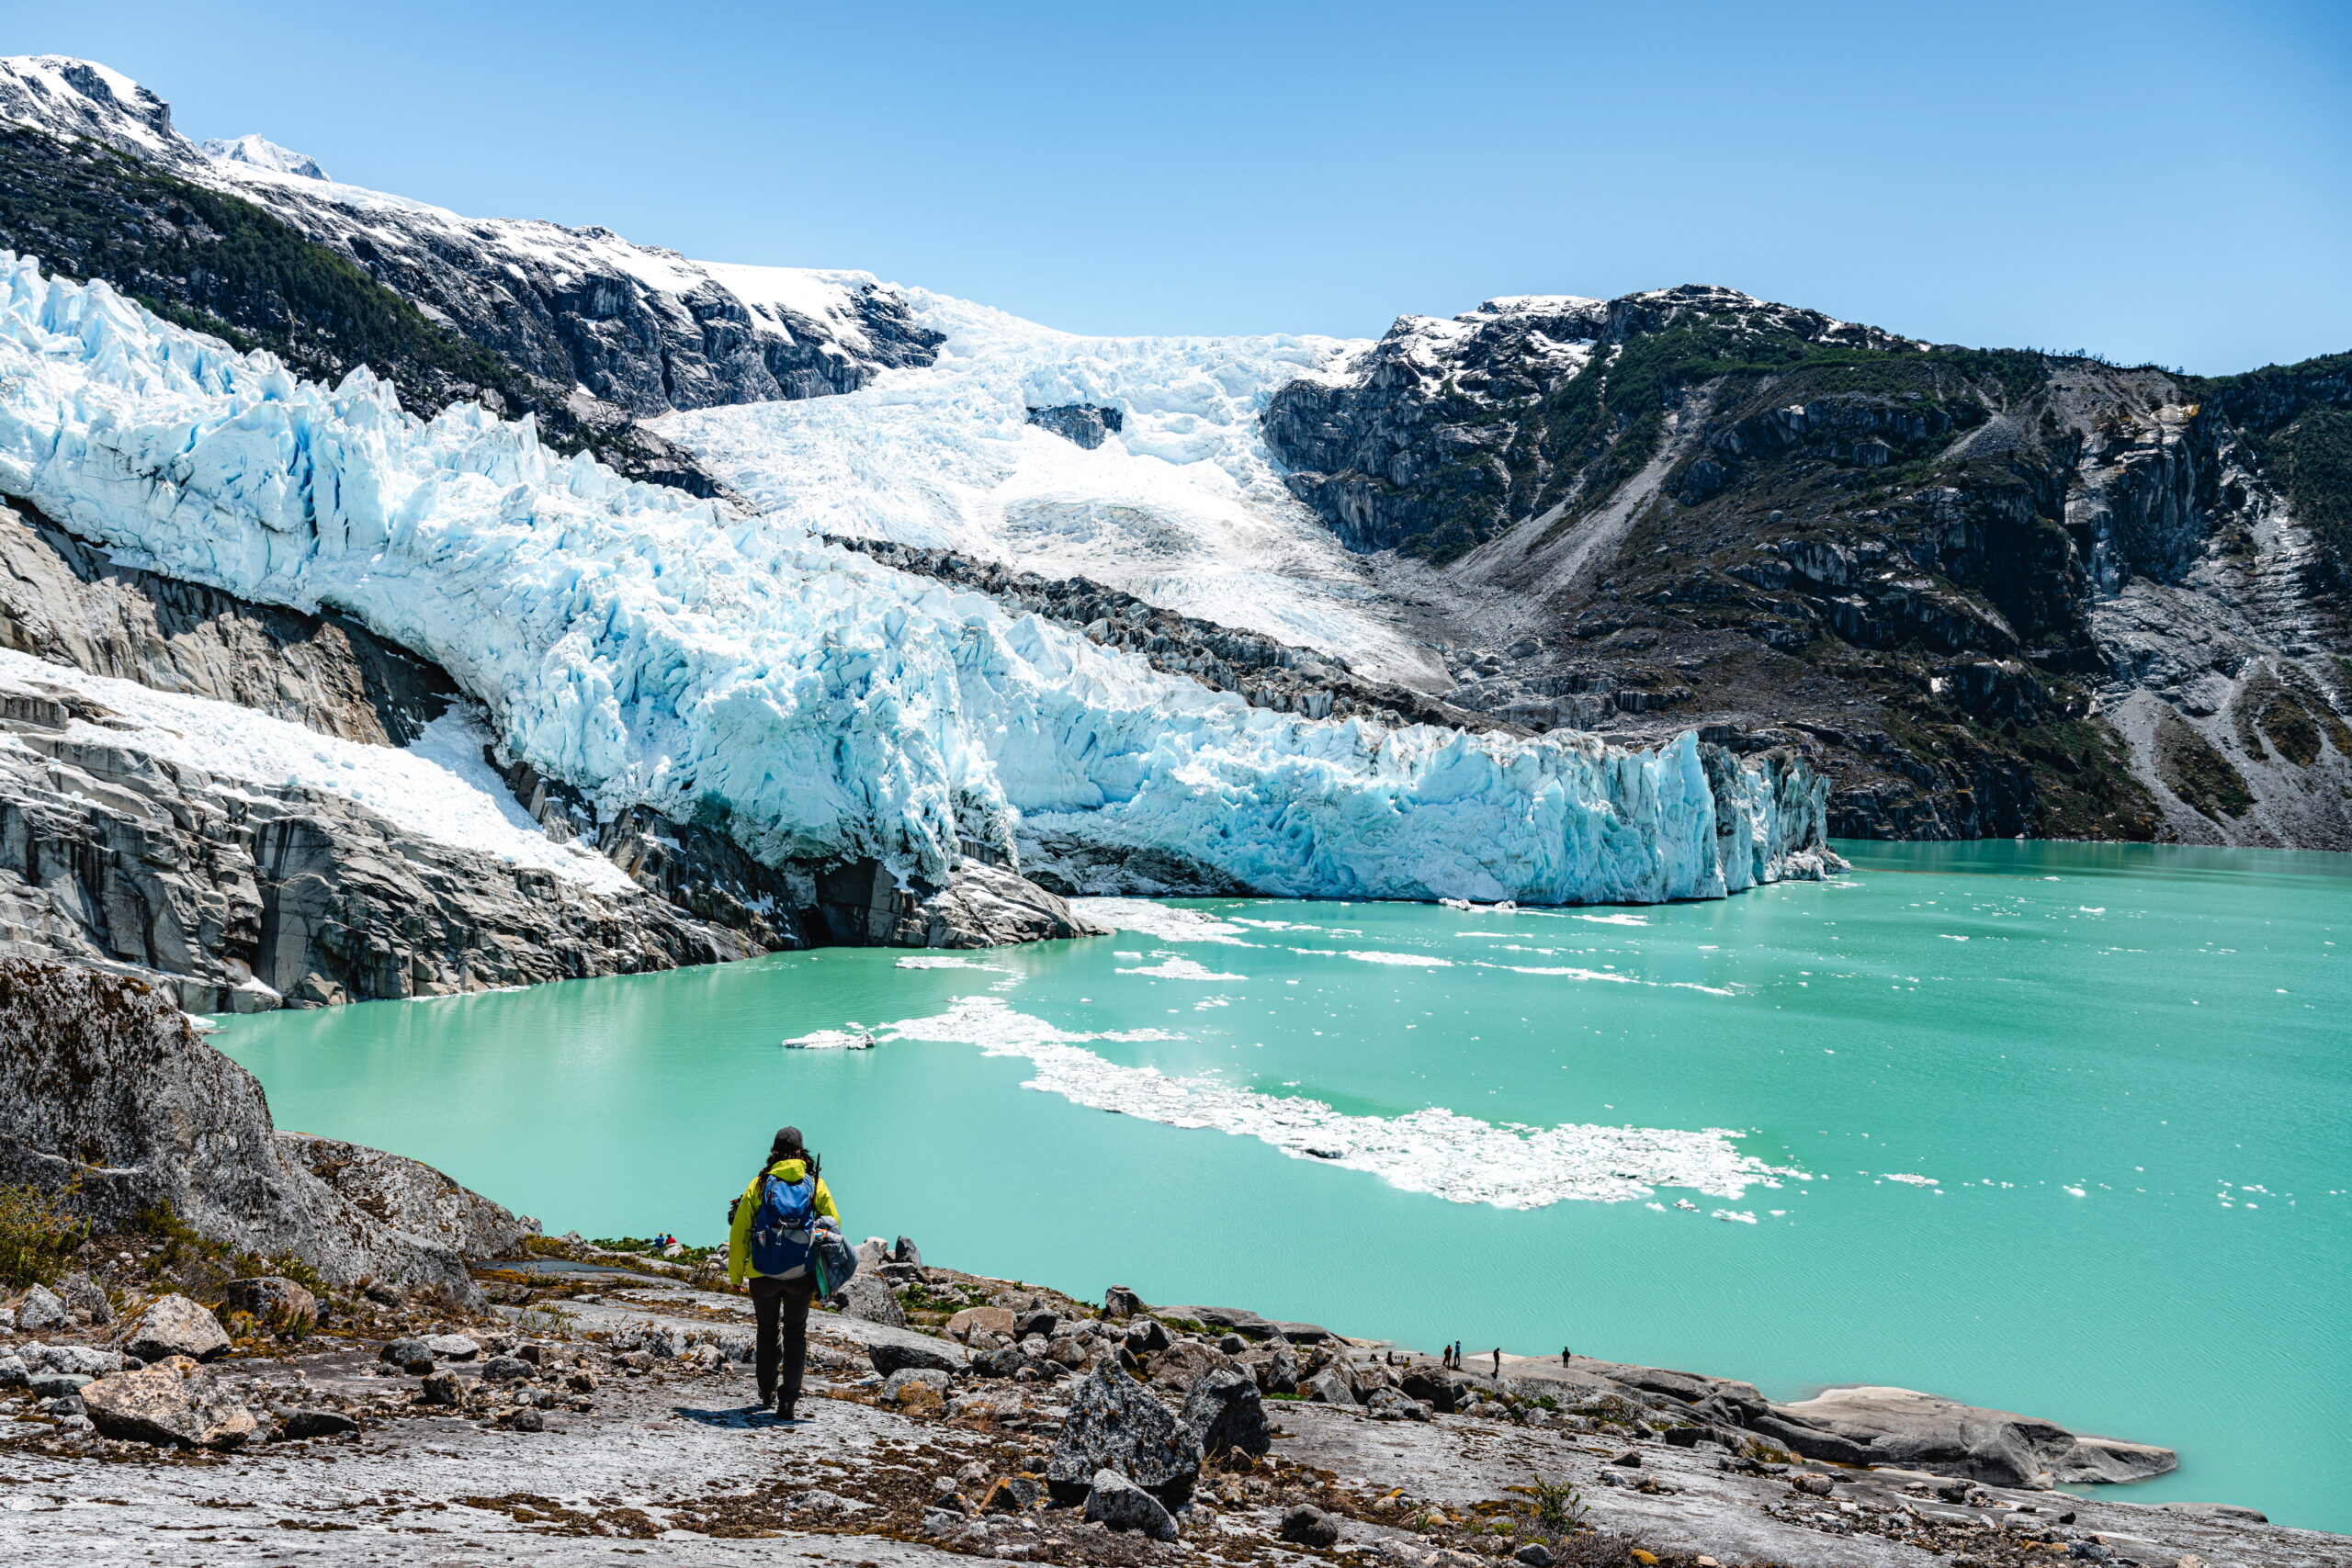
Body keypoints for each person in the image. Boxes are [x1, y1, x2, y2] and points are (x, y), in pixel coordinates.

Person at [727, 1125, 840, 1421]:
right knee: (795, 1334)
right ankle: (788, 1401)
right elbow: (833, 1223)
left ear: (773, 1152)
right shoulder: (815, 1183)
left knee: (766, 1331)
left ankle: (766, 1392)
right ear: (802, 1152)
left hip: (762, 1274)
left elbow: (740, 1232)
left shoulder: (760, 1183)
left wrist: (736, 1275)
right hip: (800, 1274)